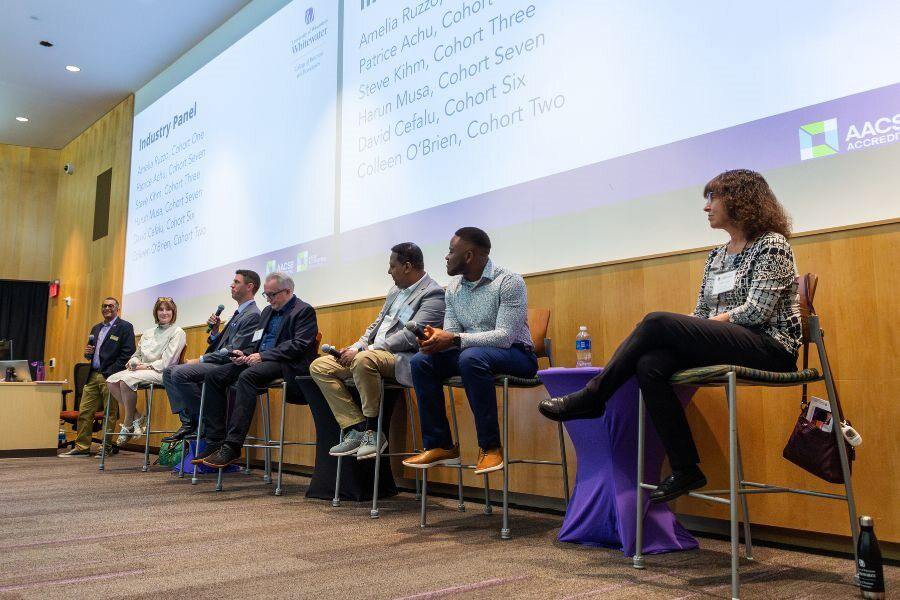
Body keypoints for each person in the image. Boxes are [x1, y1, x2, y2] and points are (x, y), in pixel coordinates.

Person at [539, 169, 802, 503]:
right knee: (651, 363)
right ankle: (686, 467)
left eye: (713, 198)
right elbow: (701, 311)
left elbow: (757, 312)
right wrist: (693, 328)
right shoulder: (717, 256)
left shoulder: (772, 244)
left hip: (769, 346)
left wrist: (697, 327)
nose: (706, 208)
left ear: (740, 200)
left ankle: (593, 396)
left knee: (657, 322)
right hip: (731, 342)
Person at [402, 227, 537, 475]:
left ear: (468, 256)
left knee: (471, 357)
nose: (446, 257)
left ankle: (490, 447)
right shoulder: (453, 289)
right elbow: (452, 334)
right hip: (471, 354)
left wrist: (454, 338)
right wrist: (436, 341)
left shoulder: (508, 282)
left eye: (451, 251)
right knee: (422, 361)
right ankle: (440, 445)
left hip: (517, 354)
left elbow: (505, 337)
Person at [310, 243, 445, 459]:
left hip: (401, 358)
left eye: (392, 266)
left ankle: (374, 431)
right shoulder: (395, 291)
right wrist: (355, 347)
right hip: (371, 354)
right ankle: (357, 427)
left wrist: (366, 350)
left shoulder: (433, 294)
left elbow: (411, 336)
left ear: (408, 266)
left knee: (364, 360)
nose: (388, 271)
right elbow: (375, 326)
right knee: (320, 366)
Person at [194, 272, 318, 468]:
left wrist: (263, 356)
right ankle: (215, 442)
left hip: (286, 364)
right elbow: (256, 342)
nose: (268, 299)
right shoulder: (267, 312)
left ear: (287, 291)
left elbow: (299, 345)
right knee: (214, 376)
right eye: (266, 295)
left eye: (272, 295)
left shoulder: (303, 311)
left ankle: (232, 446)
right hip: (259, 360)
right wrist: (243, 354)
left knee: (247, 376)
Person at [161, 270, 262, 442]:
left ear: (250, 286)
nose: (232, 285)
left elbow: (232, 350)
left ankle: (204, 421)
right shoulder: (239, 313)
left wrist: (200, 359)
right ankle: (189, 422)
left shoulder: (252, 315)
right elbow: (222, 344)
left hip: (229, 366)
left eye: (236, 282)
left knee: (179, 373)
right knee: (169, 372)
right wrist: (215, 332)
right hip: (219, 362)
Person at [60, 297, 135, 457]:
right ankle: (82, 447)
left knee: (110, 412)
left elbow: (128, 353)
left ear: (117, 308)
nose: (107, 308)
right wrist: (88, 353)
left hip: (110, 376)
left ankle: (105, 447)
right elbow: (91, 352)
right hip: (92, 375)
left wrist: (113, 371)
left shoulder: (125, 327)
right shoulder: (96, 328)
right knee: (85, 411)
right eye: (104, 306)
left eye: (110, 306)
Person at [106, 297, 187, 446]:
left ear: (173, 312)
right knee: (111, 381)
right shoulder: (148, 332)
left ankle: (128, 423)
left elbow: (168, 362)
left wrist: (145, 366)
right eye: (160, 309)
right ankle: (137, 417)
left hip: (162, 372)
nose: (164, 312)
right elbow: (137, 355)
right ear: (155, 312)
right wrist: (133, 362)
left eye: (168, 309)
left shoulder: (177, 332)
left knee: (126, 381)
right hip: (141, 370)